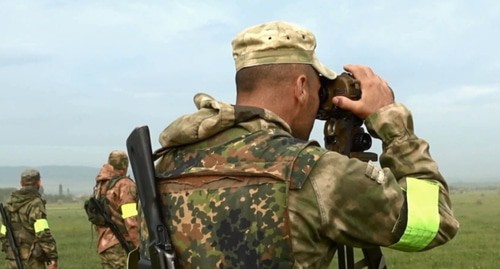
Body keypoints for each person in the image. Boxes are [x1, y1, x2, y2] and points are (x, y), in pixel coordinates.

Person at [145, 21, 460, 268]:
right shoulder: (316, 174)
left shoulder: (168, 164)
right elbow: (433, 221)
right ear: (301, 87)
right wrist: (392, 122)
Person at [0, 168, 58, 269]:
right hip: (32, 259)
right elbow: (42, 233)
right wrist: (52, 256)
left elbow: (3, 233)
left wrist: (10, 250)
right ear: (39, 182)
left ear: (21, 183)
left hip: (13, 257)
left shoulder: (11, 202)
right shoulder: (35, 203)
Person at [93, 150, 140, 269]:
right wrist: (138, 246)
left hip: (103, 245)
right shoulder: (124, 184)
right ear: (125, 165)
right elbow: (131, 219)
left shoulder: (100, 185)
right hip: (120, 245)